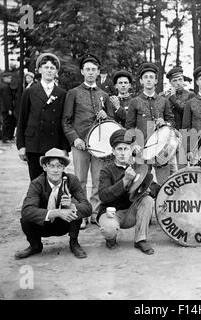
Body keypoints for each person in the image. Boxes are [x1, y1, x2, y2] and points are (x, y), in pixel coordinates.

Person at [62, 53, 115, 229]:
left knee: (98, 180)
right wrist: (75, 138)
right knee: (80, 180)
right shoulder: (73, 93)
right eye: (88, 69)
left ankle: (95, 213)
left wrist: (106, 115)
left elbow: (112, 122)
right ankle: (81, 214)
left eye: (94, 69)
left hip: (100, 146)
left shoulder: (104, 95)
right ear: (82, 72)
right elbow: (66, 121)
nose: (91, 72)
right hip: (80, 144)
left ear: (98, 72)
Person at [14, 148, 92, 259]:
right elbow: (26, 211)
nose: (56, 170)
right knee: (26, 219)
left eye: (59, 166)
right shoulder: (37, 183)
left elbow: (88, 207)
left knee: (75, 209)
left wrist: (72, 205)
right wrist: (57, 212)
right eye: (52, 166)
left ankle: (74, 243)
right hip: (42, 225)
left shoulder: (71, 180)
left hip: (64, 225)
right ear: (45, 167)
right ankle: (35, 246)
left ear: (64, 168)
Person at [98, 129, 160, 254]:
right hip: (112, 213)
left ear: (131, 150)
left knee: (147, 200)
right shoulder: (107, 170)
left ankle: (140, 240)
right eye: (119, 149)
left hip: (131, 212)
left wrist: (148, 189)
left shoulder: (138, 167)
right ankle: (111, 238)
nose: (122, 153)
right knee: (109, 229)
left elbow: (156, 188)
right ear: (113, 152)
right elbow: (103, 196)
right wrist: (125, 180)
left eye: (126, 149)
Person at [17, 53, 70, 181]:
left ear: (56, 71)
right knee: (36, 181)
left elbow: (65, 121)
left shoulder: (62, 93)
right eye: (46, 67)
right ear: (39, 70)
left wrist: (64, 148)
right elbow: (22, 119)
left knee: (54, 181)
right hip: (34, 144)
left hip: (54, 145)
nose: (49, 70)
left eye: (52, 68)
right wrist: (21, 146)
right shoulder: (30, 92)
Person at [125, 62, 175, 185]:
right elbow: (129, 126)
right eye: (145, 77)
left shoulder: (163, 101)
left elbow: (172, 122)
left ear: (156, 81)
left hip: (161, 149)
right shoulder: (134, 101)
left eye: (151, 77)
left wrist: (165, 123)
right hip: (141, 149)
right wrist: (134, 144)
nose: (148, 80)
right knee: (141, 185)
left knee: (165, 185)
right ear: (141, 81)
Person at [165, 66, 195, 130]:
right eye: (174, 81)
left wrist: (173, 98)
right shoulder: (165, 97)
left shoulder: (190, 95)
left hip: (186, 132)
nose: (178, 83)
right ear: (170, 82)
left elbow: (186, 111)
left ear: (183, 80)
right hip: (170, 131)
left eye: (180, 79)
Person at [0, 71, 17, 143]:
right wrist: (9, 109)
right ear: (4, 78)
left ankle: (7, 137)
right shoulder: (5, 87)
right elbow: (7, 99)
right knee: (6, 123)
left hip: (4, 107)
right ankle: (5, 138)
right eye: (9, 78)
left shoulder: (3, 85)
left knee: (7, 122)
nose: (10, 79)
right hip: (6, 108)